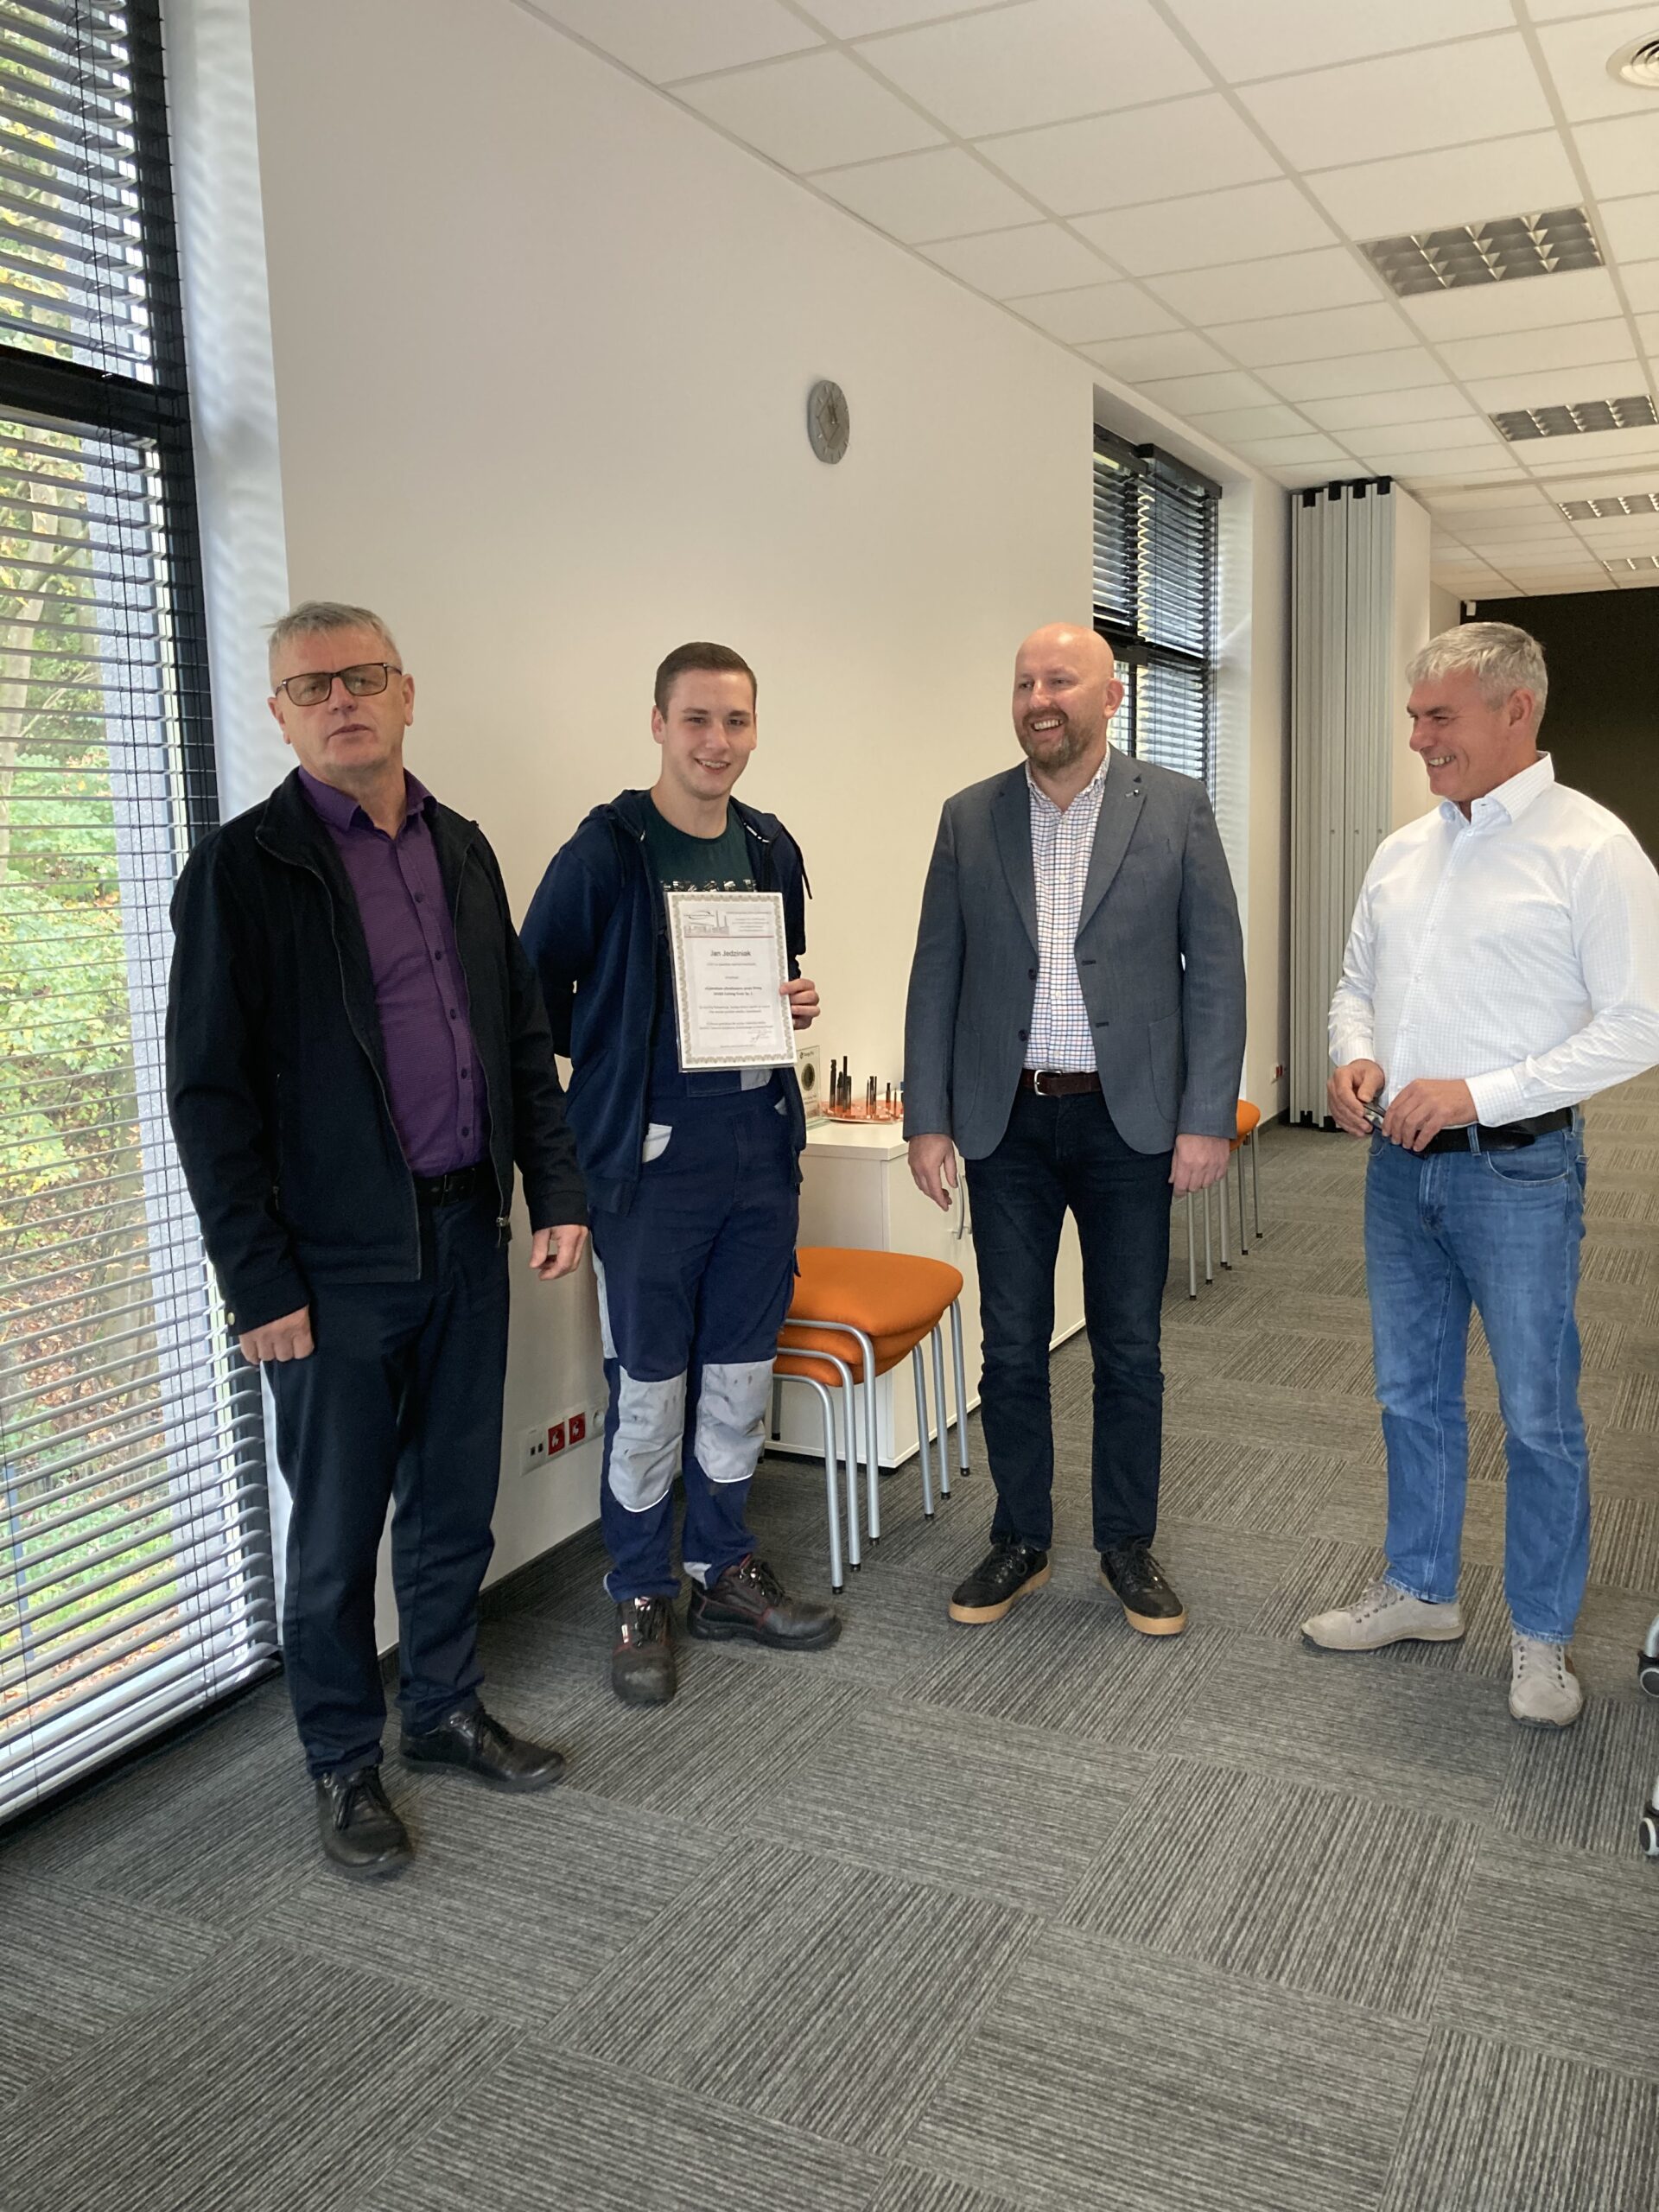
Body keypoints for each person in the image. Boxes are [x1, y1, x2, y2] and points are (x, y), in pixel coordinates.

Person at [166, 601, 589, 1880]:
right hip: (331, 1268)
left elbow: (518, 1034)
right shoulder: (243, 871)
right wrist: (257, 1282)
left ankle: (444, 1709)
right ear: (281, 713)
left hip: (468, 1231)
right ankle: (343, 1760)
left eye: (362, 677)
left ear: (407, 693)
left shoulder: (461, 847)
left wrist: (557, 1187)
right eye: (313, 686)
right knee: (338, 1530)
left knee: (455, 1500)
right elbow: (208, 1098)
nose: (341, 700)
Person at [1306, 621, 1659, 1729]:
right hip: (1395, 1173)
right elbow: (1356, 985)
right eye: (1413, 717)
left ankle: (1542, 1635)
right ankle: (1421, 1588)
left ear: (1518, 711)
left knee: (1538, 1412)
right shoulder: (1402, 851)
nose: (1418, 739)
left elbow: (1640, 1023)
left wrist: (1479, 1093)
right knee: (1409, 1393)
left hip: (1519, 1175)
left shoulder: (1592, 849)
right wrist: (1355, 1053)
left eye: (1439, 717)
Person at [904, 622, 1245, 1633]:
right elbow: (936, 973)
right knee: (1010, 1346)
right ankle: (1020, 1537)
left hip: (1128, 1120)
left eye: (1060, 680)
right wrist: (928, 1117)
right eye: (1024, 683)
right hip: (1004, 1119)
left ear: (1111, 695)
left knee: (1129, 1346)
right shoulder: (970, 816)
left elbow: (1215, 972)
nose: (1039, 699)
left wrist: (1207, 1117)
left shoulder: (1174, 806)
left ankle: (1125, 1544)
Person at [522, 640, 837, 1708]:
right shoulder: (606, 850)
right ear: (658, 723)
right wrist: (618, 1040)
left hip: (758, 1145)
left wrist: (793, 1001)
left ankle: (723, 1566)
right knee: (651, 1388)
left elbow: (778, 973)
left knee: (742, 1376)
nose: (717, 741)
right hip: (652, 1160)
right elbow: (532, 1000)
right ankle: (640, 1588)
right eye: (697, 718)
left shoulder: (769, 844)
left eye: (736, 721)